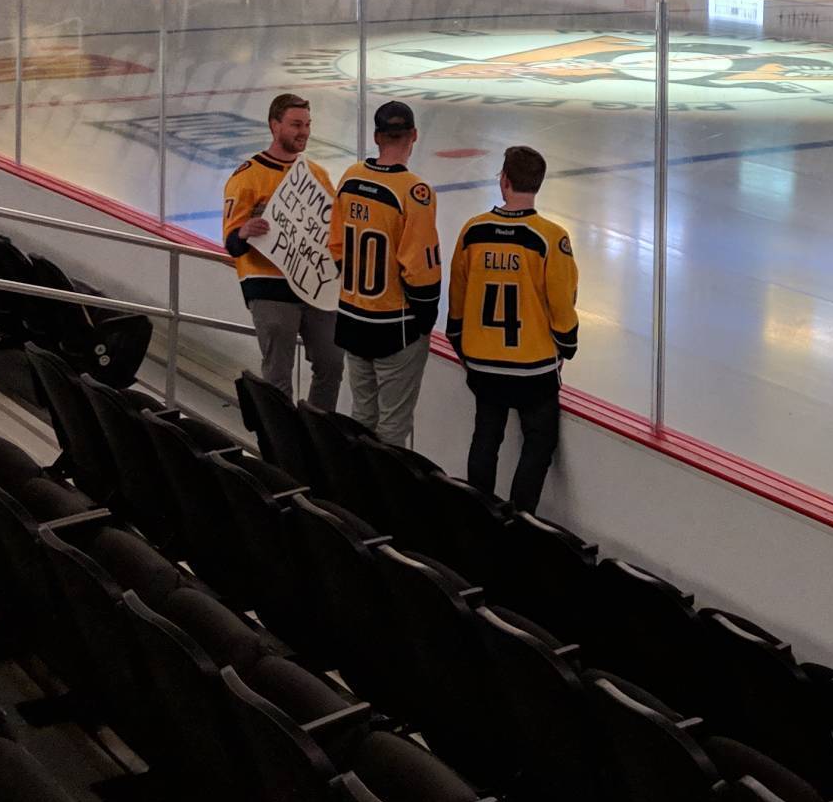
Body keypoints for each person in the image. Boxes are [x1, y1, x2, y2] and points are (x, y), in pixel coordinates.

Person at [447, 144, 579, 512]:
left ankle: (478, 512)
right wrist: (566, 347)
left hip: (484, 365)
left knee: (486, 435)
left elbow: (456, 297)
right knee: (539, 441)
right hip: (533, 369)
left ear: (503, 181)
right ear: (537, 184)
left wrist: (461, 343)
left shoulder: (473, 231)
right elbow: (562, 304)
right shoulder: (551, 238)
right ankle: (522, 520)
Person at [327, 100, 445, 446]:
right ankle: (385, 498)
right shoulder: (414, 192)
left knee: (362, 416)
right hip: (395, 326)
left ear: (377, 136)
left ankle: (356, 490)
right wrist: (423, 320)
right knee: (393, 427)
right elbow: (421, 270)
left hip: (352, 318)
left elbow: (336, 246)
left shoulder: (351, 178)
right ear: (414, 135)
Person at [224, 94, 347, 411]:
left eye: (307, 124)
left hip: (316, 287)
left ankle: (319, 434)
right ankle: (282, 448)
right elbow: (231, 242)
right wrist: (244, 232)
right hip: (269, 286)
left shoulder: (316, 175)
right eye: (295, 124)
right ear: (274, 125)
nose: (303, 131)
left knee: (332, 362)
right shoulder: (247, 176)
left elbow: (332, 229)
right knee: (279, 375)